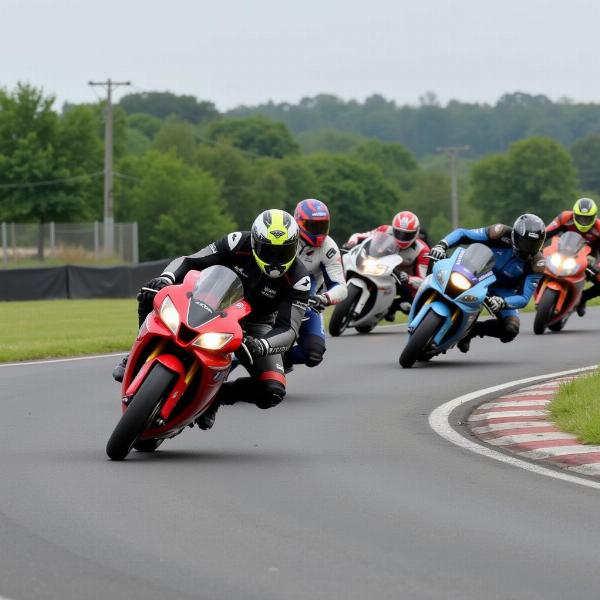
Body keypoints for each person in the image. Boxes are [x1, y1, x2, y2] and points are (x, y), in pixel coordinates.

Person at [113, 209, 310, 430]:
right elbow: (190, 260)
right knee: (150, 294)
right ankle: (134, 355)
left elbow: (289, 329)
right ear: (255, 242)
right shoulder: (236, 242)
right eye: (268, 251)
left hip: (255, 326)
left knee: (272, 389)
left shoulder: (299, 279)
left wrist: (261, 345)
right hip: (209, 302)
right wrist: (166, 278)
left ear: (295, 248)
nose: (275, 260)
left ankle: (217, 398)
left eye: (282, 252)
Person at [429, 213, 546, 353]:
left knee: (511, 329)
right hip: (474, 273)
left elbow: (524, 298)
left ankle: (472, 331)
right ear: (515, 235)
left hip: (502, 291)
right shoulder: (499, 232)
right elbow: (463, 234)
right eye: (525, 242)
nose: (528, 249)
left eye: (534, 245)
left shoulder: (537, 263)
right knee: (437, 265)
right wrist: (442, 245)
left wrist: (503, 302)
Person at [285, 199, 347, 371]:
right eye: (312, 226)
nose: (318, 232)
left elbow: (341, 287)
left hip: (308, 299)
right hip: (275, 292)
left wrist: (324, 298)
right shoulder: (285, 236)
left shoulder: (329, 247)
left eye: (322, 226)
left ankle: (281, 359)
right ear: (298, 222)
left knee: (314, 354)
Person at [344, 211, 430, 320]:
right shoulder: (384, 230)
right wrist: (351, 243)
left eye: (407, 235)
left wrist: (407, 278)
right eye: (398, 233)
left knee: (413, 305)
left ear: (416, 233)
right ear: (393, 228)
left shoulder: (423, 250)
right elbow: (359, 236)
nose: (402, 238)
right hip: (378, 268)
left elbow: (422, 280)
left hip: (401, 282)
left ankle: (393, 307)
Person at [546, 197, 600, 316]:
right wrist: (537, 248)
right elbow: (546, 233)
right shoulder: (565, 217)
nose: (583, 222)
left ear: (594, 217)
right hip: (560, 253)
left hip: (588, 260)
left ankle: (583, 298)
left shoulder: (599, 227)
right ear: (574, 214)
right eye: (581, 217)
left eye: (588, 219)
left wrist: (597, 266)